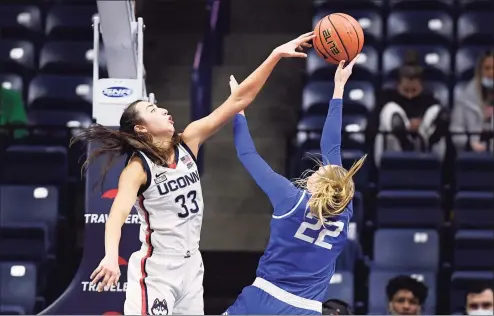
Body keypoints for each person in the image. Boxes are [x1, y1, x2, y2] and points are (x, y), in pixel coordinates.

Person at [72, 31, 316, 315]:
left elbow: (237, 101)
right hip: (157, 270)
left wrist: (275, 55)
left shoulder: (189, 140)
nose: (164, 110)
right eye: (153, 109)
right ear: (141, 128)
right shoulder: (138, 168)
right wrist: (112, 258)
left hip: (191, 267)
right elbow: (116, 217)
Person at [224, 57, 366, 315]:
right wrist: (339, 87)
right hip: (307, 309)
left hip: (264, 299)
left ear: (317, 183)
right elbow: (331, 148)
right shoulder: (344, 211)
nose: (321, 165)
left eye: (320, 169)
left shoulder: (291, 199)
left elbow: (247, 154)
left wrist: (238, 109)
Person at [368, 51, 448, 165]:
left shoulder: (429, 100)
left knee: (437, 111)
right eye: (406, 90)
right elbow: (370, 130)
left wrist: (420, 125)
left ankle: (431, 152)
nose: (410, 95)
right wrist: (405, 126)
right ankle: (404, 141)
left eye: (414, 90)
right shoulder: (385, 98)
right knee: (390, 110)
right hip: (392, 154)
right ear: (398, 85)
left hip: (424, 150)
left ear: (422, 86)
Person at [450, 50, 494, 153]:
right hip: (470, 151)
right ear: (480, 71)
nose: (491, 73)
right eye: (487, 68)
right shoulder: (466, 97)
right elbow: (456, 129)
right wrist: (470, 144)